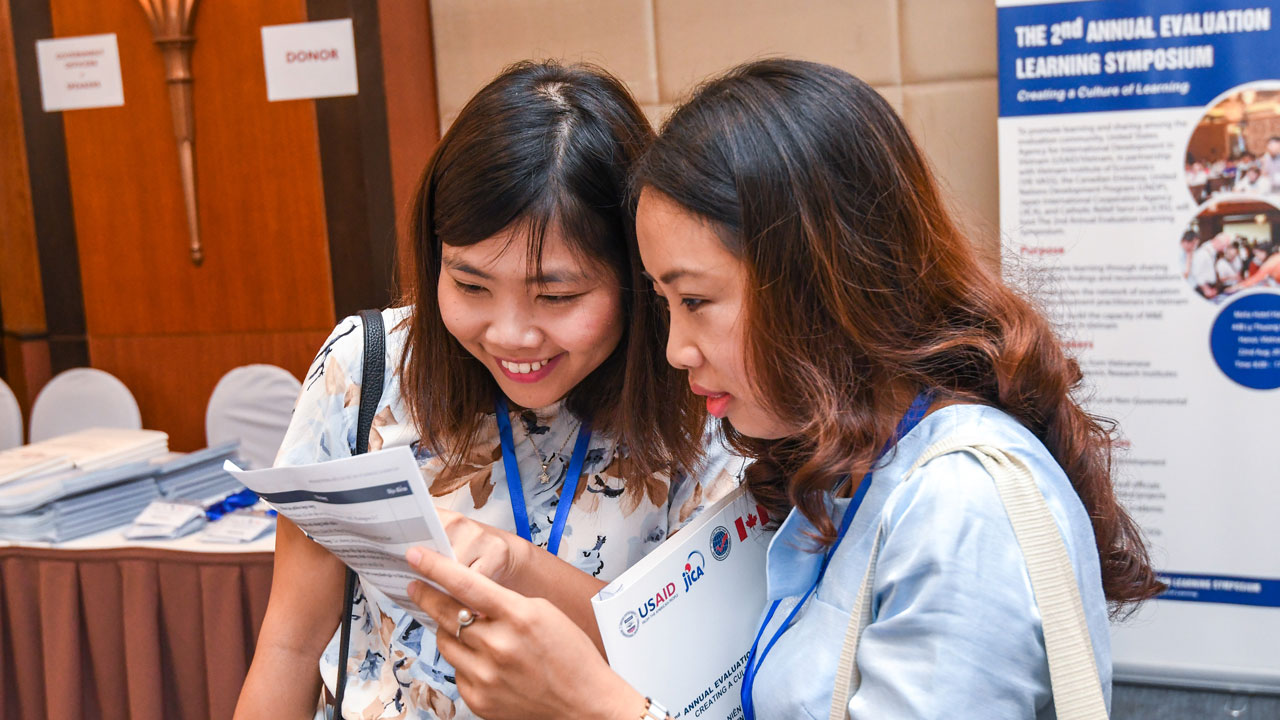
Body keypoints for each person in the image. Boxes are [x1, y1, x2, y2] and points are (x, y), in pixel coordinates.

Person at [404, 59, 1163, 720]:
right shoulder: (848, 472)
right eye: (664, 305)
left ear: (819, 283)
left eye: (696, 301)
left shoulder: (960, 508)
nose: (673, 349)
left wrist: (597, 708)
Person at [234, 61, 740, 720]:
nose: (511, 335)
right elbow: (290, 645)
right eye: (470, 285)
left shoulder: (701, 399)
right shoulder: (365, 372)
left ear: (636, 275)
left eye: (555, 294)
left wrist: (517, 566)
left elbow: (692, 664)